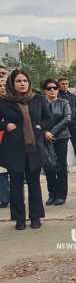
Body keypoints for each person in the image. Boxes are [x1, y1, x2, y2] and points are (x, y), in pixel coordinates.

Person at [0, 70, 52, 230]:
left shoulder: (38, 99)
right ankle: (19, 218)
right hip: (14, 148)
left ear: (29, 83)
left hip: (34, 147)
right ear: (12, 84)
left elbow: (49, 118)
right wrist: (5, 125)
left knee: (34, 183)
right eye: (18, 81)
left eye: (24, 80)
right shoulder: (4, 101)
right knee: (16, 185)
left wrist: (39, 127)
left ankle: (35, 217)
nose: (22, 83)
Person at [42, 79, 72, 206]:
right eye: (49, 88)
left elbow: (67, 118)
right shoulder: (41, 104)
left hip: (61, 138)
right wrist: (45, 132)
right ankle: (52, 194)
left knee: (61, 166)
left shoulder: (64, 102)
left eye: (54, 88)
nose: (52, 90)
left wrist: (52, 132)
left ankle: (61, 195)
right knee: (49, 167)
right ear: (45, 90)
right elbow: (37, 119)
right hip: (44, 138)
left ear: (58, 90)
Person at [58, 77, 76, 172]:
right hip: (62, 125)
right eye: (62, 83)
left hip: (74, 124)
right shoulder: (57, 96)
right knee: (63, 147)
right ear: (59, 84)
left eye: (66, 83)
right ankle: (64, 166)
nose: (65, 85)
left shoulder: (73, 96)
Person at [0, 76, 8, 209]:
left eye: (4, 86)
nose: (2, 89)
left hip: (8, 139)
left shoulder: (11, 103)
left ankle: (5, 197)